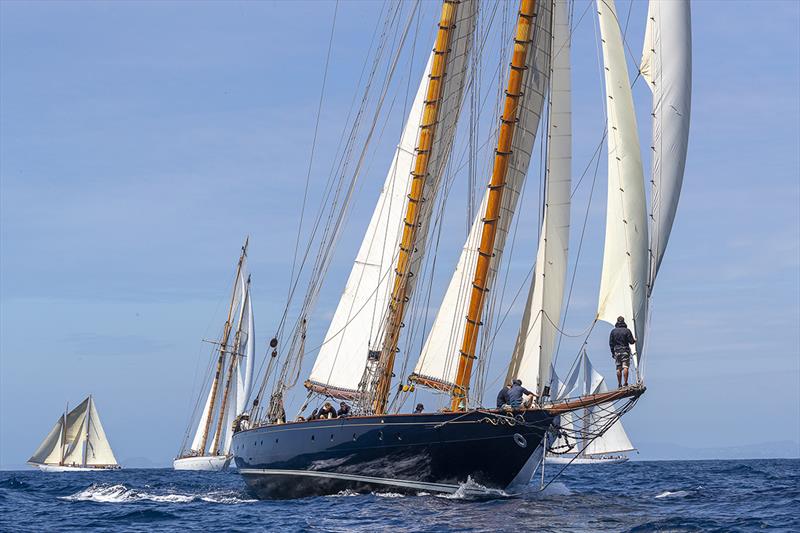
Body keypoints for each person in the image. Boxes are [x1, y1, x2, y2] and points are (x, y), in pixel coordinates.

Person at [609, 316, 636, 388]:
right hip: (625, 350)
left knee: (618, 368)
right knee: (625, 367)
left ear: (617, 321)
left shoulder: (613, 331)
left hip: (617, 351)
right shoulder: (627, 330)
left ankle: (619, 384)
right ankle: (625, 383)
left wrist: (613, 353)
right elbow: (631, 342)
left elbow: (611, 344)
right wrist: (635, 340)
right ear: (623, 321)